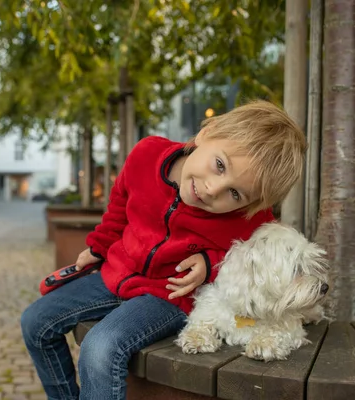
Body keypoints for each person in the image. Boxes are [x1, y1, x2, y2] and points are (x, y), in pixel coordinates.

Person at [21, 100, 307, 400]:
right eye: (219, 165)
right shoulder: (146, 154)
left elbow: (255, 255)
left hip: (168, 297)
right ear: (207, 133)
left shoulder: (249, 218)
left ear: (250, 204)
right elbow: (120, 200)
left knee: (100, 347)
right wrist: (99, 247)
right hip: (116, 273)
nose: (213, 189)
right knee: (35, 323)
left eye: (234, 193)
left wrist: (211, 263)